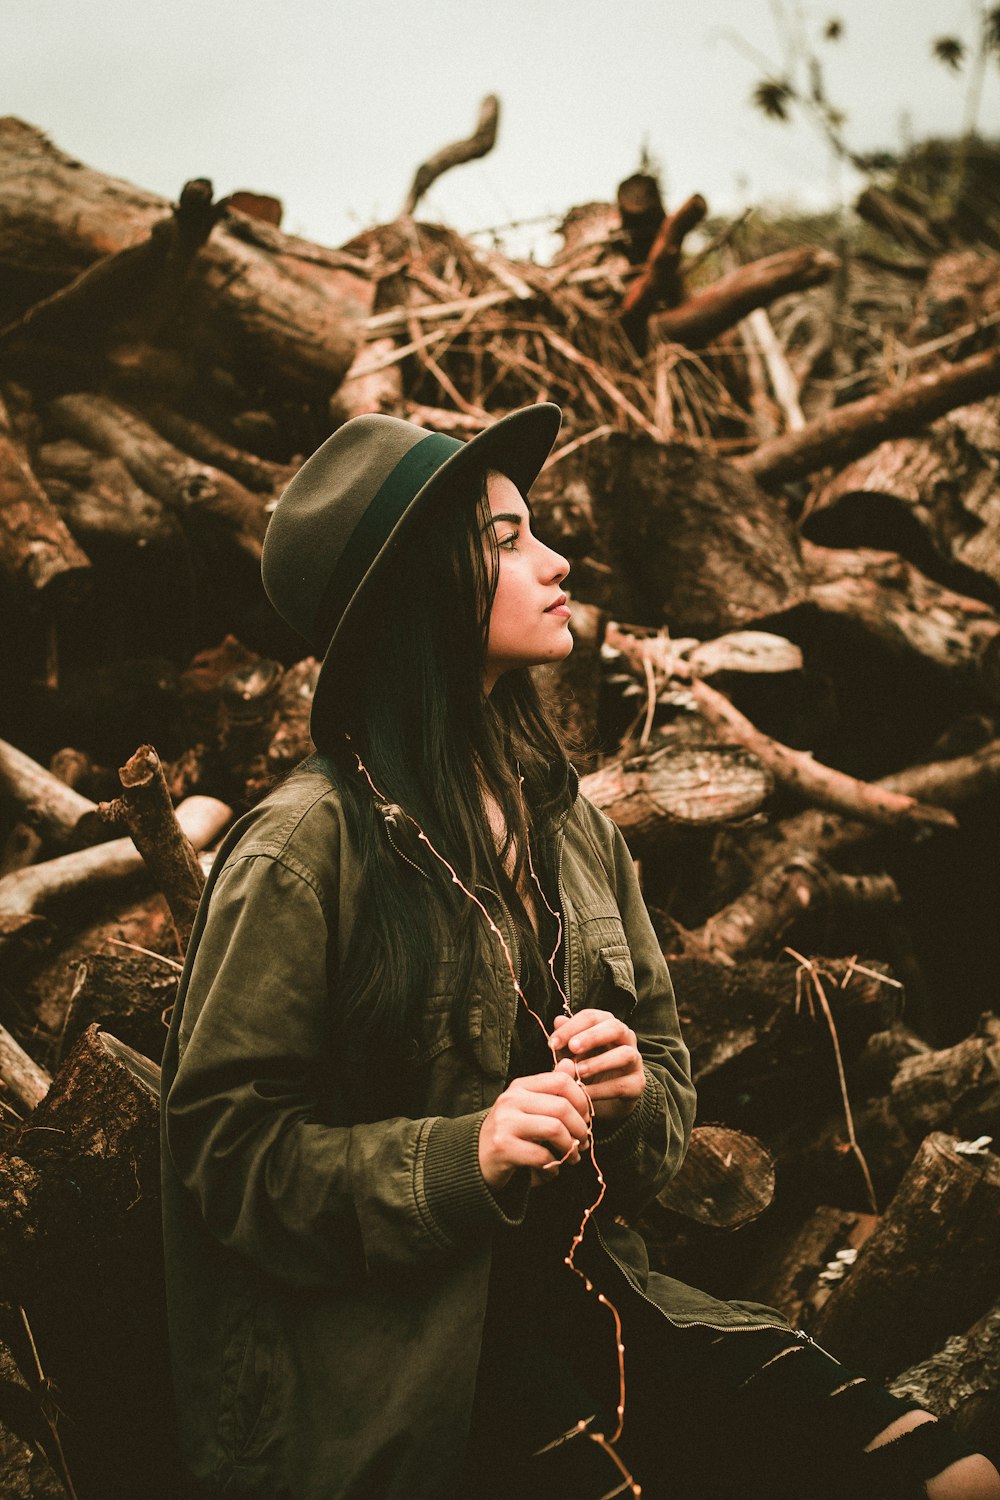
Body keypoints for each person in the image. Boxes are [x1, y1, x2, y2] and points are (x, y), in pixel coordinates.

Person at [160, 403, 1000, 1500]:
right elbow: (225, 1162)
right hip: (414, 1381)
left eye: (535, 529)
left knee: (953, 1476)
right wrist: (467, 1151)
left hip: (602, 1304)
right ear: (418, 590)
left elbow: (662, 1124)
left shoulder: (569, 825)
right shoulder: (301, 851)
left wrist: (628, 1087)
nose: (555, 560)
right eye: (505, 540)